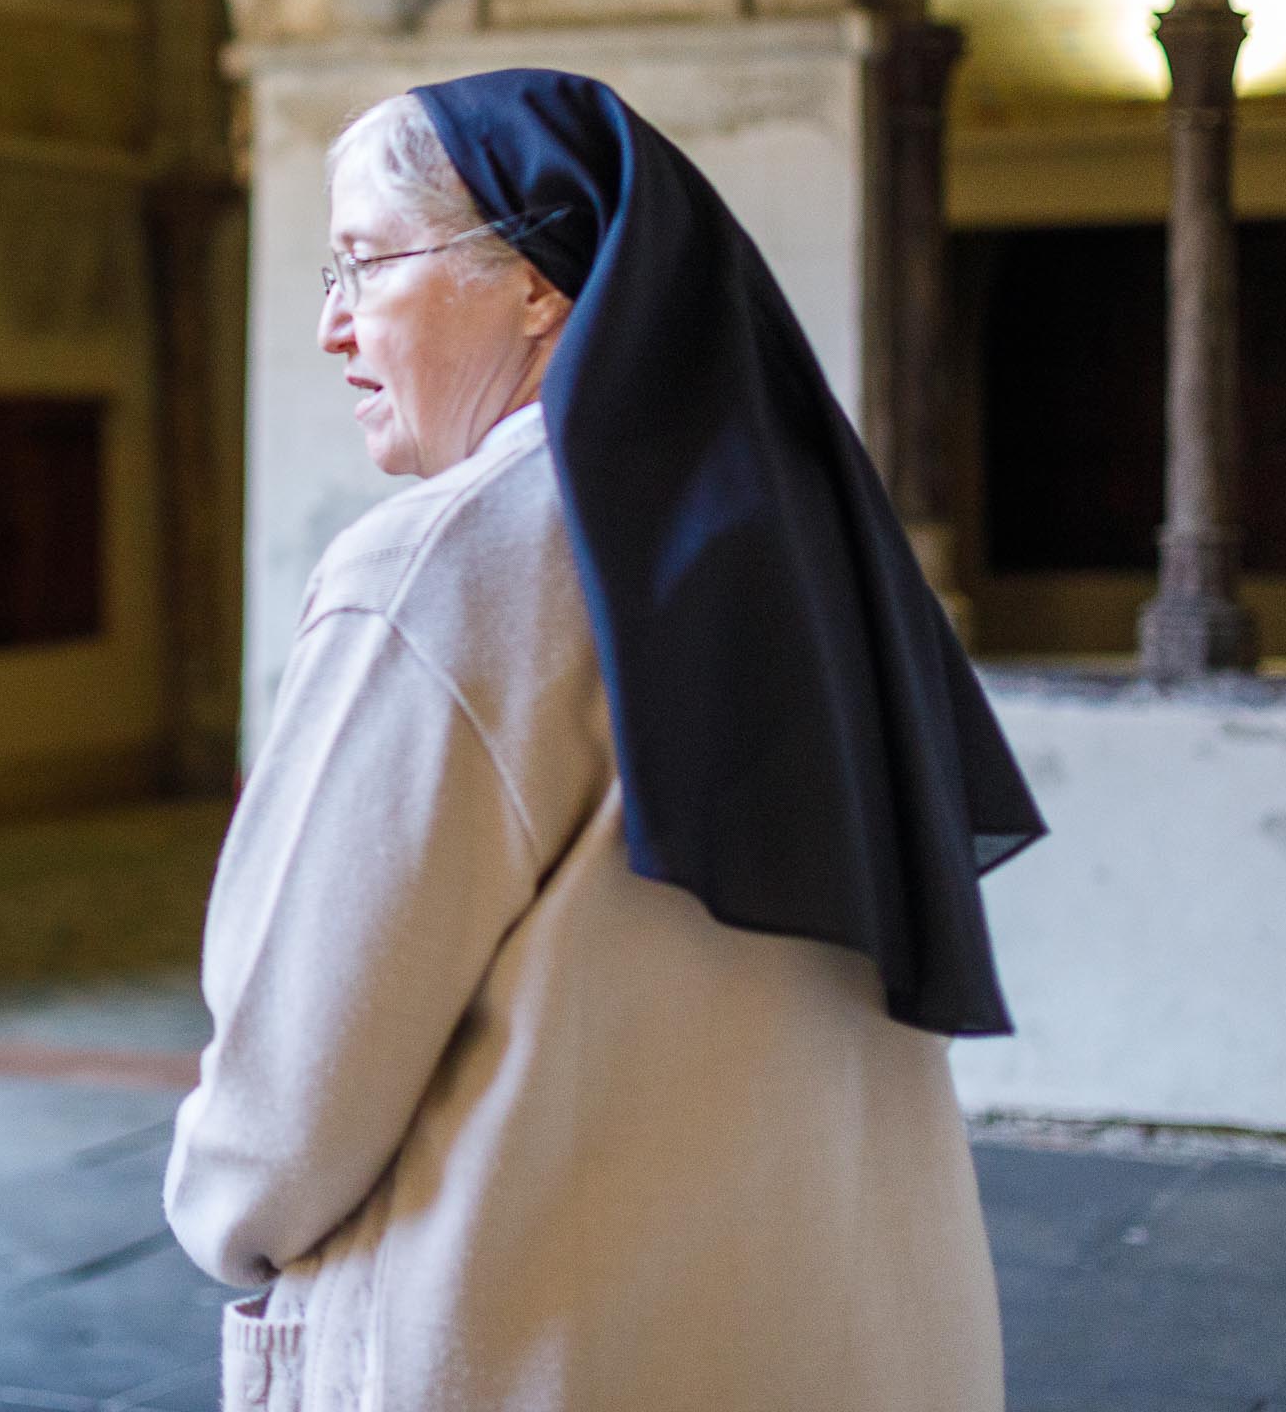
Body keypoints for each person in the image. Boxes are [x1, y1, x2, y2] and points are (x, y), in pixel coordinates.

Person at [164, 70, 1045, 1412]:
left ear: (535, 282)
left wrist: (221, 1210)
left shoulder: (435, 571)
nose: (334, 326)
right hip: (843, 1338)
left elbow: (302, 1073)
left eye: (363, 265)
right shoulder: (808, 548)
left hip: (530, 1342)